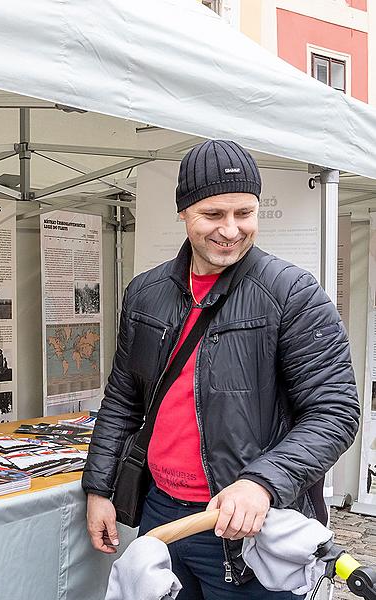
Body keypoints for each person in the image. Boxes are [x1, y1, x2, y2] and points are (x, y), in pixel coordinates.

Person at [83, 139, 359, 599]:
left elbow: (335, 411)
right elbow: (123, 402)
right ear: (184, 212)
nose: (230, 230)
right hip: (161, 518)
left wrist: (261, 482)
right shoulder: (144, 293)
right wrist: (99, 488)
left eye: (244, 214)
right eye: (213, 215)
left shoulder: (292, 293)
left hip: (250, 526)